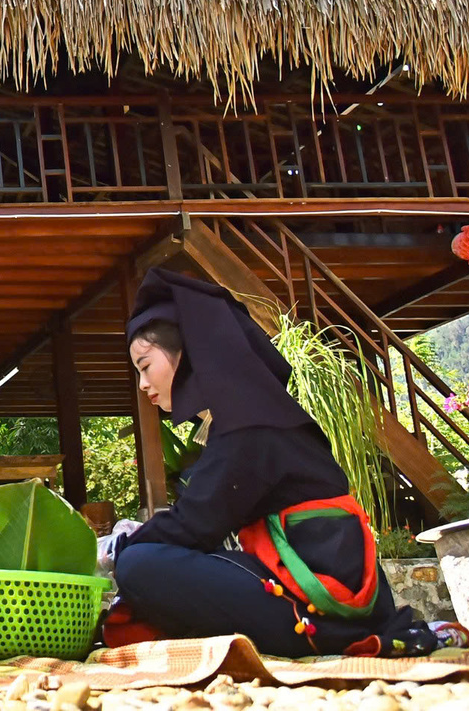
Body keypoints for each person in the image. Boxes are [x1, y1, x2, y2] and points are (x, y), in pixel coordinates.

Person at [106, 267, 443, 658]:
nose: (143, 384)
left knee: (139, 565)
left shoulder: (248, 425)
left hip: (320, 600)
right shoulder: (253, 415)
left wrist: (119, 547)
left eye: (146, 366)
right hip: (317, 587)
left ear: (189, 350)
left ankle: (333, 637)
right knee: (147, 559)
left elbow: (193, 526)